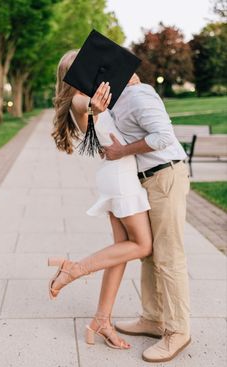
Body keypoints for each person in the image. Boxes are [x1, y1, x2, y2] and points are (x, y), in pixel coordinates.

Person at [49, 50, 153, 350]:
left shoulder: (90, 98)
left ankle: (102, 319)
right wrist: (95, 106)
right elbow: (89, 106)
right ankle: (74, 269)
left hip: (115, 176)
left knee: (120, 253)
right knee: (142, 245)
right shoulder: (81, 100)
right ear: (75, 74)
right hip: (120, 179)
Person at [102, 78, 191, 362]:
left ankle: (178, 331)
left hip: (165, 177)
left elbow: (164, 136)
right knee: (149, 255)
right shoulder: (116, 101)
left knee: (169, 257)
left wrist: (121, 152)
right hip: (146, 181)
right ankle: (153, 319)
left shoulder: (139, 96)